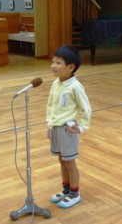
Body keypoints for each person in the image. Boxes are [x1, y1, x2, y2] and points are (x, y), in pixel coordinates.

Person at [46, 45, 92, 209]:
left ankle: (75, 193)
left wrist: (81, 127)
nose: (53, 66)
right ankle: (66, 189)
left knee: (70, 162)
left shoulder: (75, 87)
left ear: (71, 67)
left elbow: (86, 108)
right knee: (61, 159)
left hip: (67, 129)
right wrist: (49, 124)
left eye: (58, 63)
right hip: (56, 128)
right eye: (53, 62)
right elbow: (51, 106)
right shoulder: (56, 84)